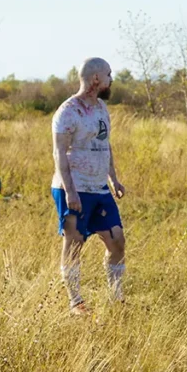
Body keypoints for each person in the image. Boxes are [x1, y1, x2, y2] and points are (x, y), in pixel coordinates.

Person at [51, 57, 126, 315]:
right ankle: (76, 302)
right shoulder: (68, 111)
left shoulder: (102, 108)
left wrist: (113, 179)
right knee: (75, 242)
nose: (111, 79)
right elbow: (59, 152)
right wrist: (70, 192)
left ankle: (116, 297)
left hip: (99, 188)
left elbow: (105, 145)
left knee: (117, 240)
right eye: (108, 74)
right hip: (74, 188)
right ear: (96, 79)